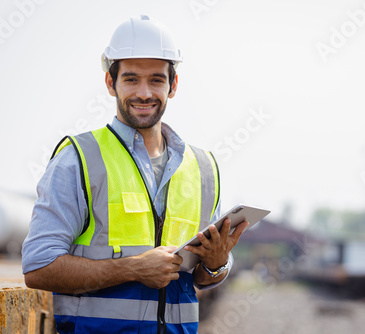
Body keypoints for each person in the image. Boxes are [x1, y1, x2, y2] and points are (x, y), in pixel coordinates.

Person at [21, 14, 249, 334]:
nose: (144, 93)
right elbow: (38, 267)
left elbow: (204, 276)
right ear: (110, 83)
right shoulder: (78, 158)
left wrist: (216, 263)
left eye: (156, 79)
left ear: (173, 86)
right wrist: (133, 270)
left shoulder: (204, 169)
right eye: (131, 79)